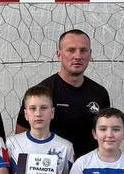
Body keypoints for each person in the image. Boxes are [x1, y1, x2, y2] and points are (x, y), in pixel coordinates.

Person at [15, 29, 111, 158]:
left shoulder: (100, 93)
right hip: (50, 166)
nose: (77, 56)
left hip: (89, 167)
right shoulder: (41, 93)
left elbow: (106, 133)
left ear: (90, 54)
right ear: (58, 54)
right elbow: (22, 138)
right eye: (71, 50)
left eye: (83, 50)